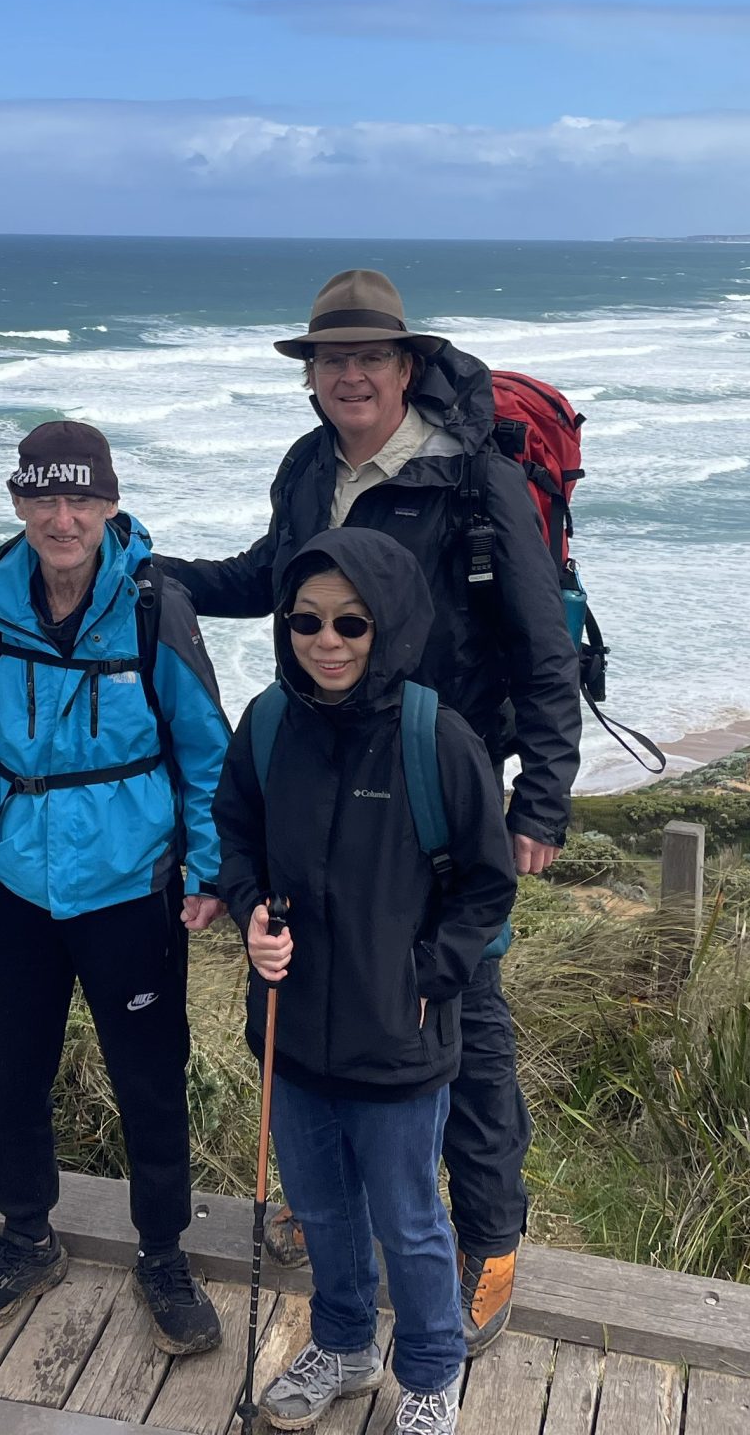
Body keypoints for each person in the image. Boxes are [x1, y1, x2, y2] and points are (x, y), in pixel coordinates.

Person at [160, 268, 579, 1347]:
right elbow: (274, 578)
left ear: (405, 367)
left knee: (460, 1011)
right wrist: (150, 572)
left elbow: (541, 644)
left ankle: (489, 1236)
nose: (348, 375)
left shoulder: (472, 479)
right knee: (325, 984)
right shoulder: (309, 467)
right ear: (311, 376)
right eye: (329, 359)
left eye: (369, 357)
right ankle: (329, 1200)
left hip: (438, 787)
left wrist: (540, 801)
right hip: (323, 775)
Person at [0, 421, 234, 1352]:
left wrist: (209, 867)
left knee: (149, 1074)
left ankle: (163, 1252)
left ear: (110, 504)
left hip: (130, 884)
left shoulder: (154, 606)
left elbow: (205, 749)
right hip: (10, 882)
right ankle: (26, 1236)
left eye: (82, 499)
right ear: (19, 502)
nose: (64, 519)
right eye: (46, 499)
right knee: (9, 1068)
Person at [215, 528, 515, 1435]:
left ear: (389, 624)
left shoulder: (437, 738)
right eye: (305, 621)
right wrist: (249, 914)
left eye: (352, 622)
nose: (327, 641)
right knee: (320, 1207)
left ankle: (430, 1372)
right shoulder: (269, 723)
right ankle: (344, 1344)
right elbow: (235, 835)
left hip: (398, 1036)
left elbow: (486, 885)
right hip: (291, 1026)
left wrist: (429, 974)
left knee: (410, 1221)